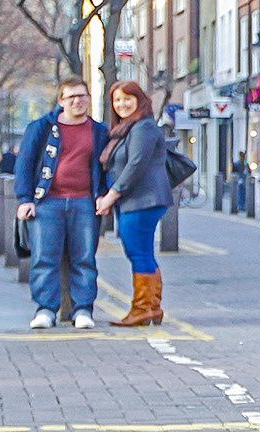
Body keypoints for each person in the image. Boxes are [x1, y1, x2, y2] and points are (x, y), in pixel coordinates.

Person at [15, 77, 110, 330]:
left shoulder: (99, 131)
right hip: (47, 202)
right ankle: (45, 309)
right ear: (61, 101)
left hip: (84, 203)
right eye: (72, 97)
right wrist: (25, 199)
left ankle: (83, 310)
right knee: (44, 258)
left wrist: (103, 193)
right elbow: (24, 164)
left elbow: (105, 167)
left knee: (85, 259)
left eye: (82, 96)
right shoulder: (42, 128)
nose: (78, 101)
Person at [96, 80, 172, 327]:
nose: (122, 104)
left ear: (140, 100)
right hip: (136, 200)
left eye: (127, 98)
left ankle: (142, 309)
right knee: (140, 251)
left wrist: (111, 196)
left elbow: (135, 166)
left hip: (142, 200)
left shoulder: (143, 127)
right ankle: (152, 307)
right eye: (117, 100)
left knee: (137, 251)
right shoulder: (126, 129)